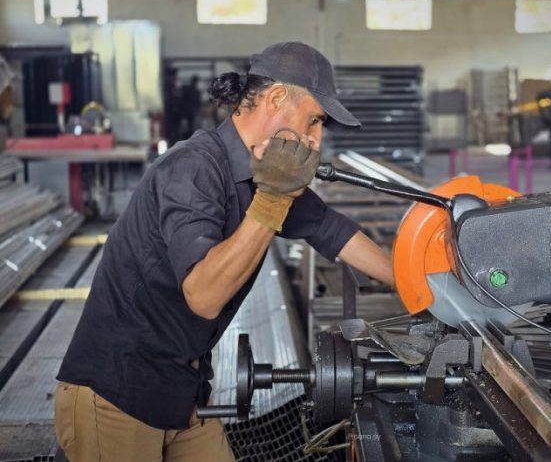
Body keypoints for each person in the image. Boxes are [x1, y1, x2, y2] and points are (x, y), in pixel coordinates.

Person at [54, 42, 394, 461]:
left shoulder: (264, 171)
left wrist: (422, 286)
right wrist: (272, 200)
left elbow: (332, 230)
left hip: (182, 389)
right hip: (116, 393)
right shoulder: (194, 168)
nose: (316, 138)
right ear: (275, 99)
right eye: (314, 119)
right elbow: (204, 296)